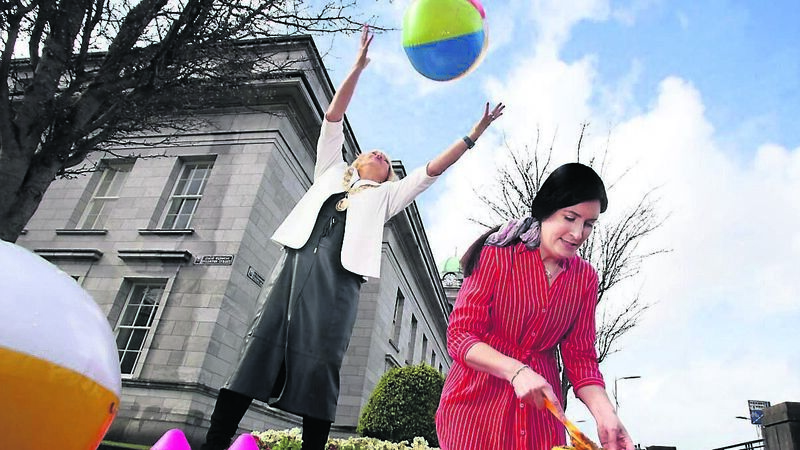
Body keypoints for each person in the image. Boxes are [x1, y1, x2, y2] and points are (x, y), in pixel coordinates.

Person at [200, 26, 505, 450]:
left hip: (339, 283)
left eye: (385, 158)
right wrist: (358, 68)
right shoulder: (328, 173)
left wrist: (472, 136)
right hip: (293, 266)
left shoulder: (386, 198)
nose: (377, 154)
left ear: (388, 176)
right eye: (370, 152)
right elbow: (333, 118)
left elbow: (431, 171)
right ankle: (215, 441)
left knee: (322, 365)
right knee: (258, 349)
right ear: (355, 160)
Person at [435, 163, 634, 450]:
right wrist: (516, 371)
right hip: (475, 410)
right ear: (546, 211)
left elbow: (581, 358)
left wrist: (606, 416)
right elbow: (461, 335)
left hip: (542, 418)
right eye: (570, 217)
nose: (578, 233)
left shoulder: (585, 279)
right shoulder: (497, 255)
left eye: (589, 224)